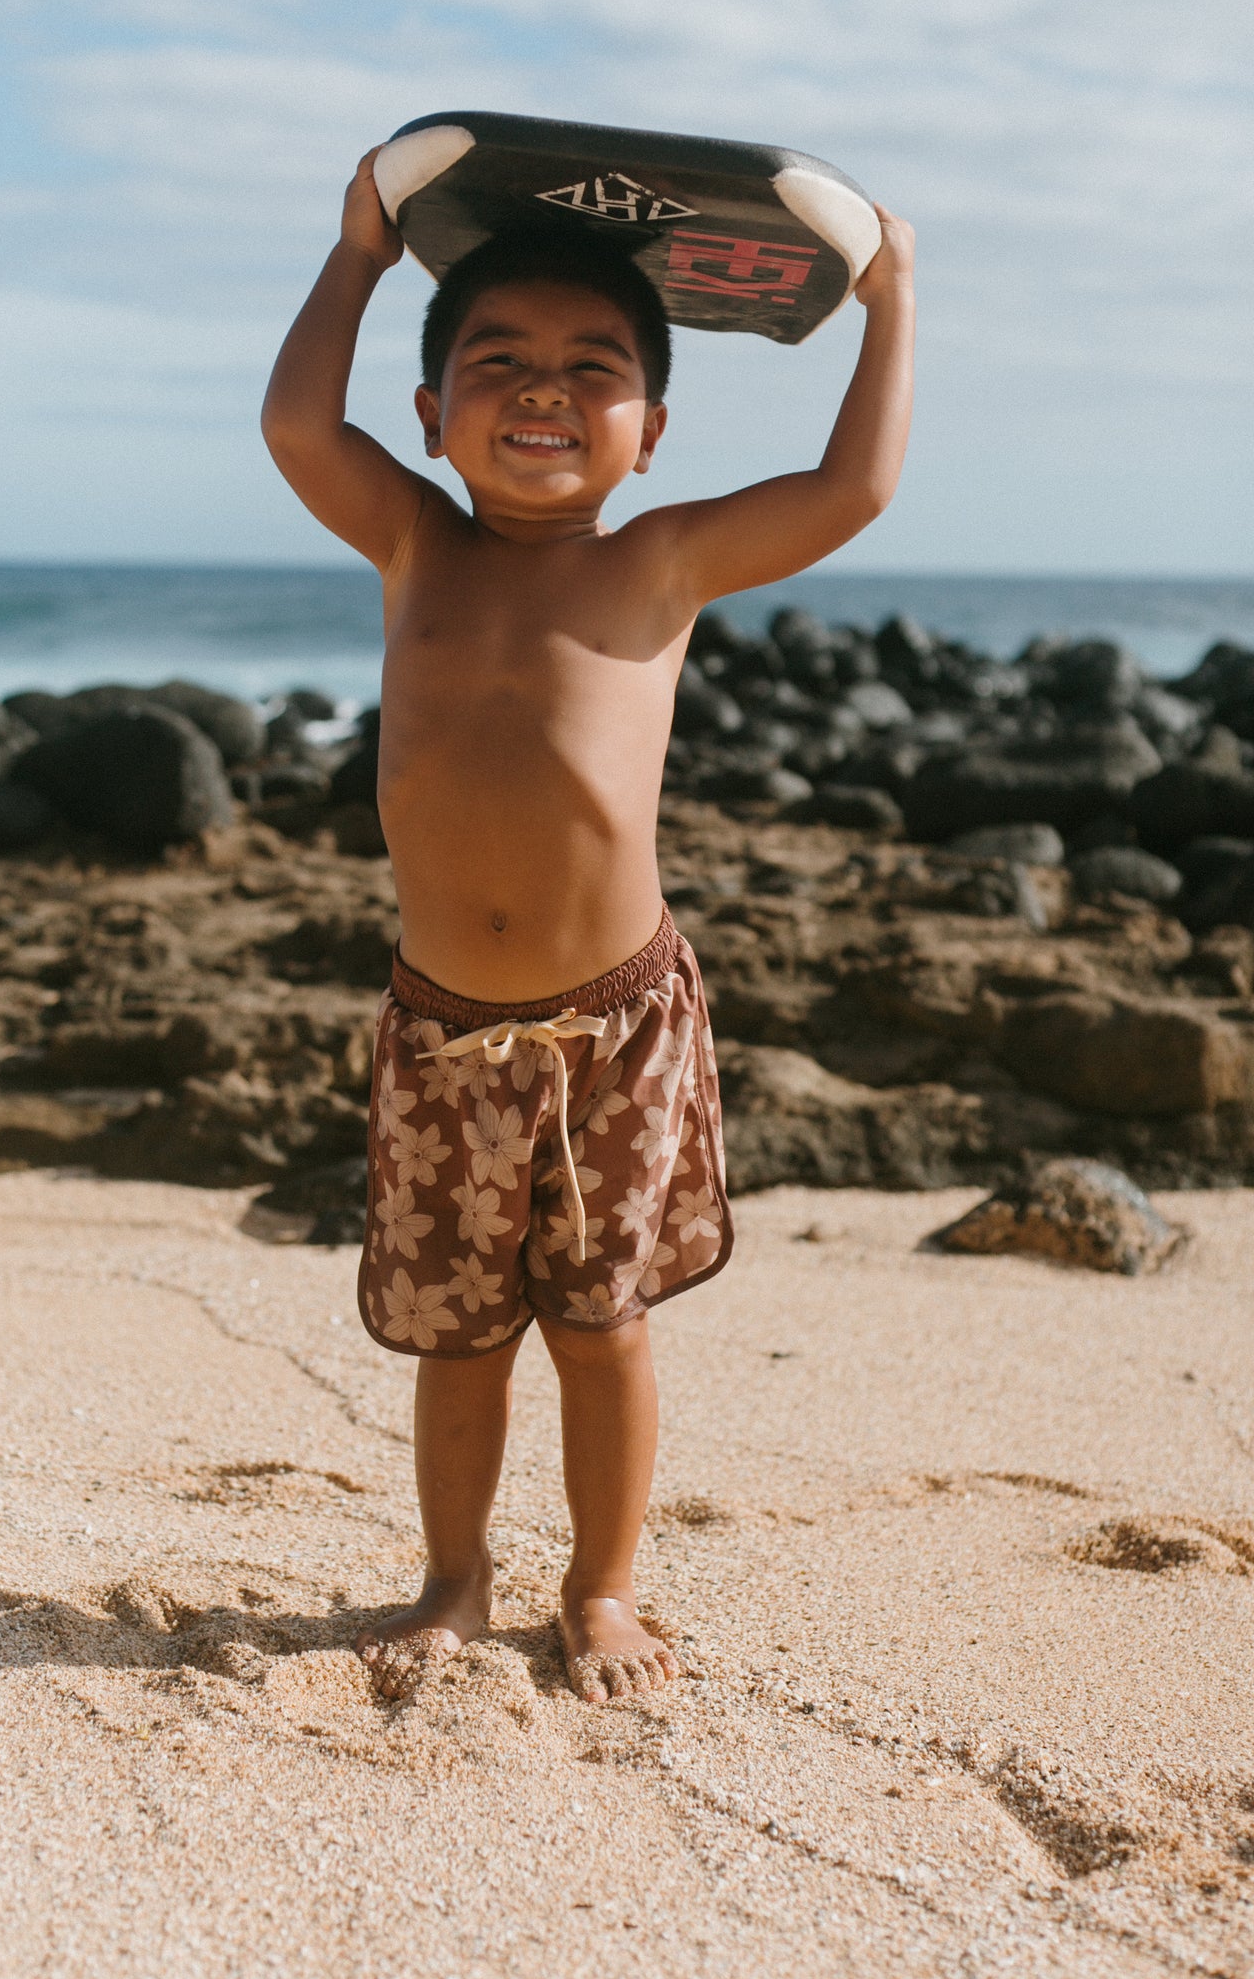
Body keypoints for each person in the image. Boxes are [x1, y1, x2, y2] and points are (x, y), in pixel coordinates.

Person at [262, 147, 914, 1704]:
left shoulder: (663, 560)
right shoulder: (417, 541)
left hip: (616, 1025)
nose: (539, 389)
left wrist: (890, 294)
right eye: (495, 362)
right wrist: (355, 254)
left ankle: (602, 1587)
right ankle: (453, 1579)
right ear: (430, 416)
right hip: (439, 1032)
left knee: (599, 1328)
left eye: (588, 369)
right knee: (459, 1340)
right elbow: (295, 423)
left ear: (649, 433)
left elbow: (854, 490)